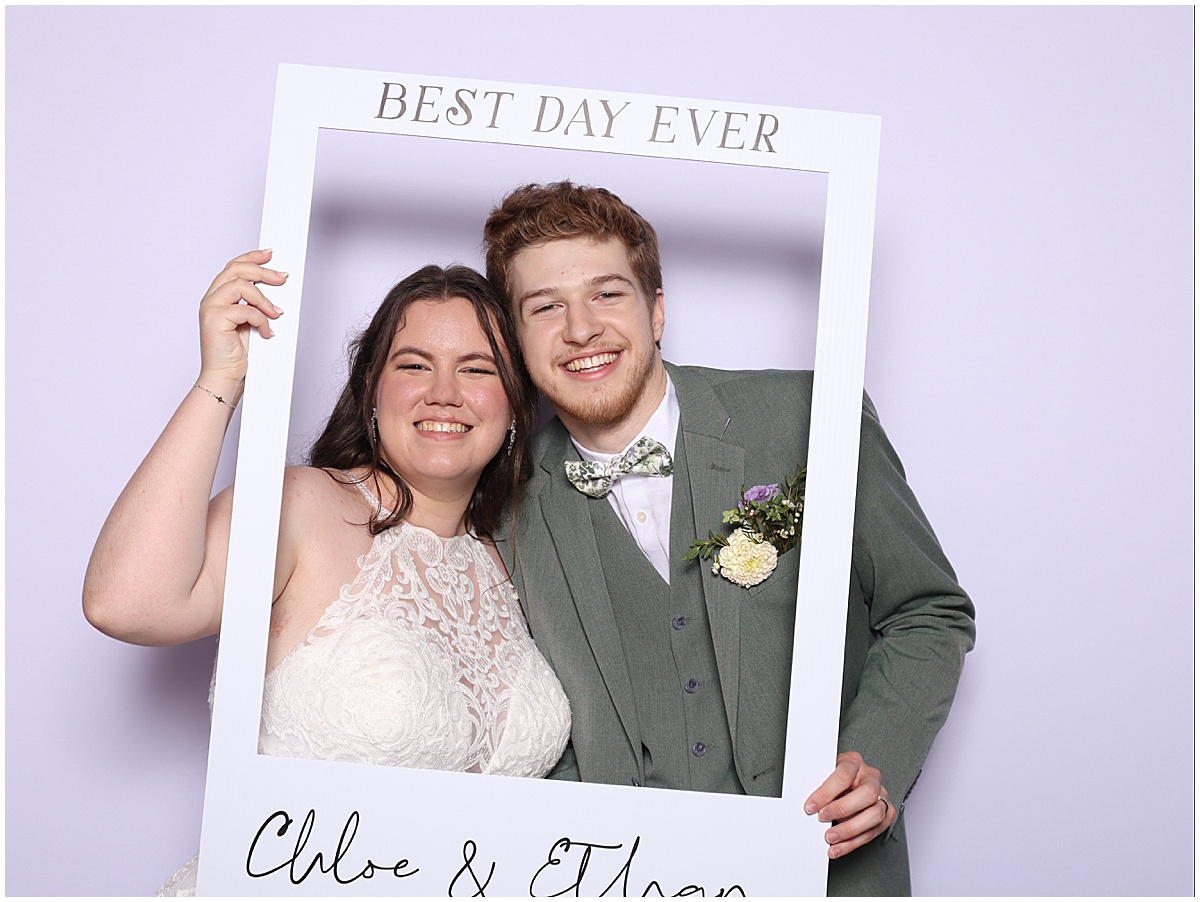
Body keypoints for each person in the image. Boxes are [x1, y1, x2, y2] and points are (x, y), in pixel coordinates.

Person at [482, 182, 975, 896]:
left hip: (830, 875)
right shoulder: (501, 505)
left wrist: (877, 761)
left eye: (607, 295)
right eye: (545, 307)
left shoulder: (811, 414)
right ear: (515, 337)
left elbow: (927, 610)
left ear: (656, 310)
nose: (580, 328)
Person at [82, 251, 570, 895]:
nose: (443, 393)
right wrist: (220, 378)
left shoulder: (509, 559)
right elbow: (125, 603)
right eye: (414, 365)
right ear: (371, 387)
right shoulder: (300, 507)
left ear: (514, 406)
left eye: (477, 369)